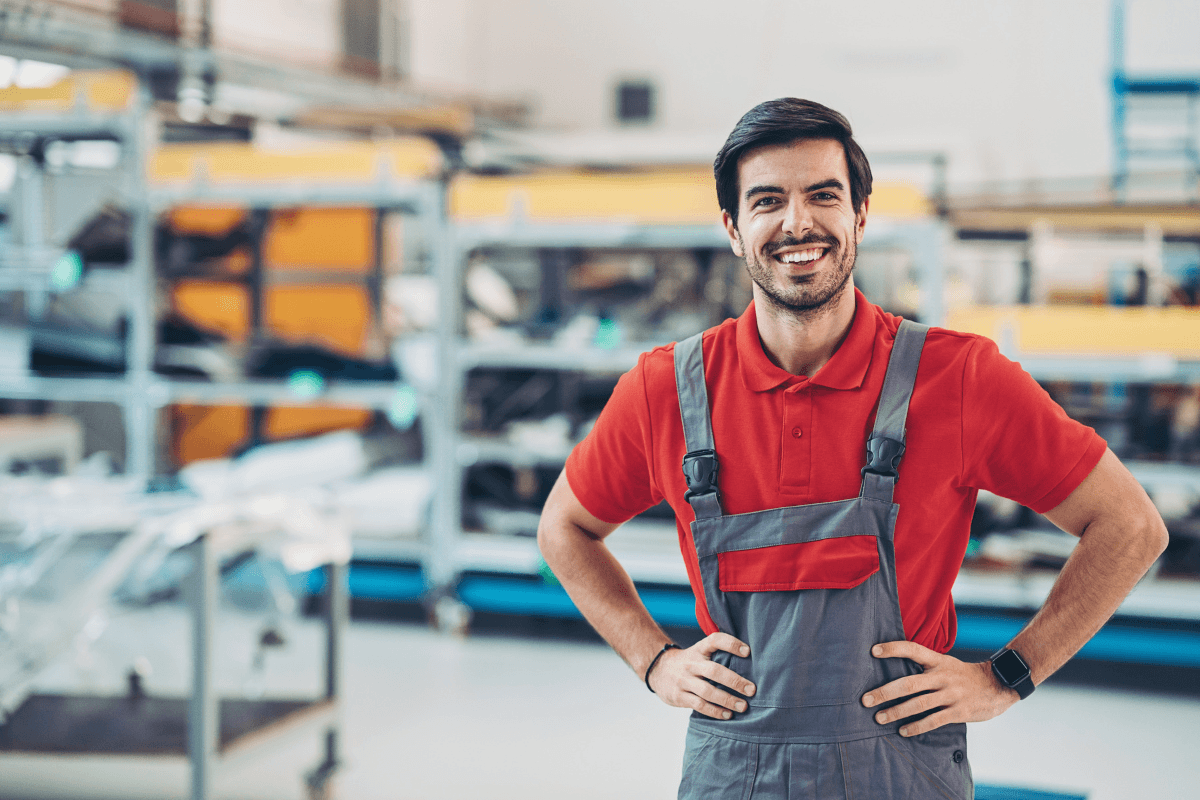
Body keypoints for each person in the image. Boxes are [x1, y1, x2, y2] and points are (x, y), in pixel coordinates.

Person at [536, 97, 1167, 799]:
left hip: (900, 770)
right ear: (733, 230)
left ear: (861, 214)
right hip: (733, 771)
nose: (797, 222)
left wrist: (1009, 676)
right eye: (767, 200)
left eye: (823, 195)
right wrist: (653, 660)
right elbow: (564, 527)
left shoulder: (957, 377)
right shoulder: (667, 391)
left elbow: (1131, 525)